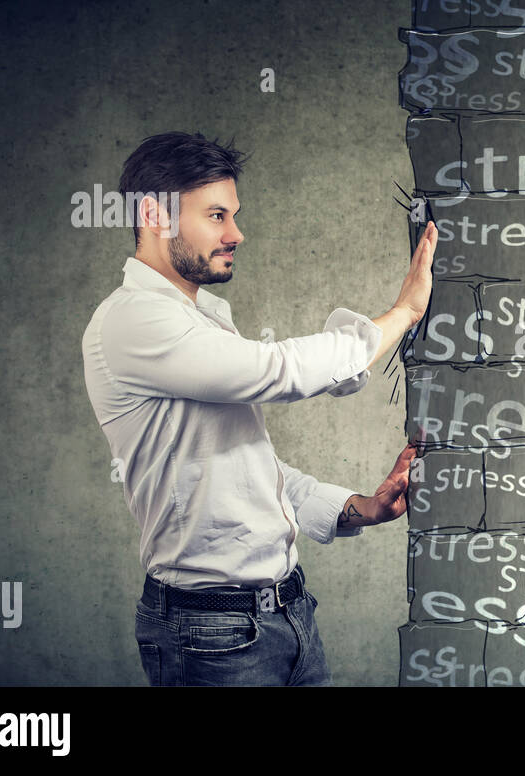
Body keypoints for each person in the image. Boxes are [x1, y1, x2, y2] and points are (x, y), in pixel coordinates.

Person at [81, 131, 437, 685]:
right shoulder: (132, 320)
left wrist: (360, 507)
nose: (236, 234)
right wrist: (404, 312)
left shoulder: (203, 320)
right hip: (211, 636)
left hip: (289, 614)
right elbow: (278, 372)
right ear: (154, 214)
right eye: (217, 215)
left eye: (234, 215)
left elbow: (247, 467)